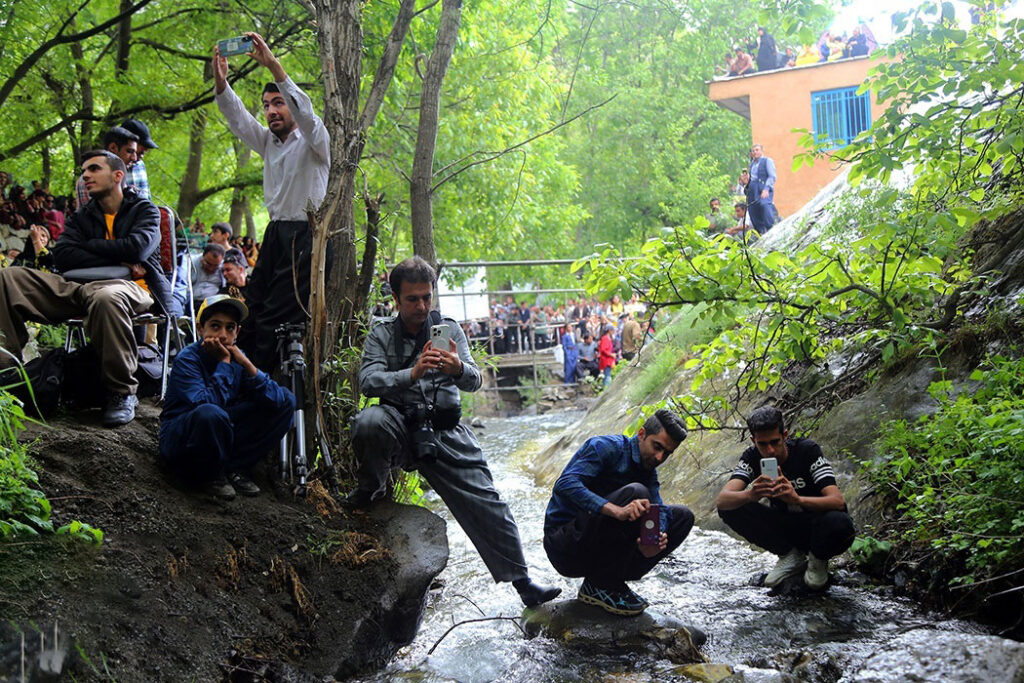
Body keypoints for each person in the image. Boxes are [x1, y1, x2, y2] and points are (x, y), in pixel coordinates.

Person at [344, 256, 560, 608]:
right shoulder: (381, 332)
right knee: (369, 422)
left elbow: (474, 380)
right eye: (412, 299)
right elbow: (368, 381)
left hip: (445, 430)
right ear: (396, 299)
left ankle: (523, 582)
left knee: (488, 500)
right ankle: (373, 489)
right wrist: (410, 375)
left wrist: (458, 367)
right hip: (398, 424)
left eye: (427, 297)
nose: (421, 305)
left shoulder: (448, 328)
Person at [0, 150, 178, 426]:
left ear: (118, 175)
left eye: (94, 169)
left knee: (107, 297)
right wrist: (117, 255)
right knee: (8, 278)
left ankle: (121, 392)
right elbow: (64, 255)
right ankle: (6, 370)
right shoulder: (81, 216)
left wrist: (90, 248)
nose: (85, 175)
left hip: (130, 287)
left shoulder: (145, 210)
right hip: (78, 286)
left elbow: (138, 246)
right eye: (84, 171)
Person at [213, 32, 330, 373]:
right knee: (252, 305)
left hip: (306, 238)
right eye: (266, 105)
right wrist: (221, 81)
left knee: (278, 315)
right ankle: (239, 373)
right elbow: (238, 119)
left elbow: (306, 114)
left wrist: (274, 66)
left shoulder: (315, 141)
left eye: (278, 103)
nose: (271, 111)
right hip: (275, 235)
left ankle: (261, 378)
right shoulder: (268, 143)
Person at [544, 410, 694, 615]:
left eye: (667, 453)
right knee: (637, 493)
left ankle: (609, 581)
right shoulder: (605, 447)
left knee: (683, 516)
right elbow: (565, 484)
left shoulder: (649, 472)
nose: (660, 457)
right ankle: (599, 584)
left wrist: (652, 542)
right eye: (657, 447)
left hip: (602, 552)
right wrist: (615, 510)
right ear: (641, 434)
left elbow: (659, 510)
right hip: (565, 546)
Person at [159, 295, 295, 500]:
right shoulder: (187, 360)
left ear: (237, 332)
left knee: (285, 400)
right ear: (200, 329)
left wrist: (248, 365)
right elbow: (206, 405)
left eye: (230, 328)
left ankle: (234, 468)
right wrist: (223, 363)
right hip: (184, 439)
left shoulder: (237, 358)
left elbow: (276, 401)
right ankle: (210, 476)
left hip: (219, 428)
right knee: (210, 414)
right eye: (215, 326)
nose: (223, 335)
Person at [716, 406, 855, 590]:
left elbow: (837, 502)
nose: (770, 450)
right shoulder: (751, 457)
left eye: (775, 442)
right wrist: (751, 494)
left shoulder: (807, 451)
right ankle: (790, 556)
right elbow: (723, 500)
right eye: (762, 444)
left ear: (785, 435)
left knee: (840, 521)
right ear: (753, 441)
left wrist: (797, 499)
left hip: (817, 527)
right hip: (785, 529)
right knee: (732, 507)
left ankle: (817, 561)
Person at [74, 127, 139, 208]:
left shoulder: (116, 176)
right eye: (129, 151)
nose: (134, 158)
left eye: (135, 152)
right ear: (113, 148)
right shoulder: (94, 178)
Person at [175, 243, 225, 311]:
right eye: (208, 264)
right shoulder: (190, 262)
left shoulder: (224, 268)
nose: (211, 268)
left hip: (214, 305)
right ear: (202, 257)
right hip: (191, 303)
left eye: (215, 266)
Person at [120, 119, 159, 200]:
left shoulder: (140, 165)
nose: (145, 150)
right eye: (142, 145)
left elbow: (147, 197)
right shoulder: (107, 168)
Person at [746, 144, 777, 235]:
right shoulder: (752, 164)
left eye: (757, 150)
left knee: (764, 205)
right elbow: (751, 178)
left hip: (763, 188)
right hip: (753, 189)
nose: (755, 152)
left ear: (762, 151)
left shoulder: (767, 161)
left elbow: (772, 176)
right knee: (752, 209)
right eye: (753, 151)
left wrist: (766, 188)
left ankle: (770, 227)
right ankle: (760, 231)